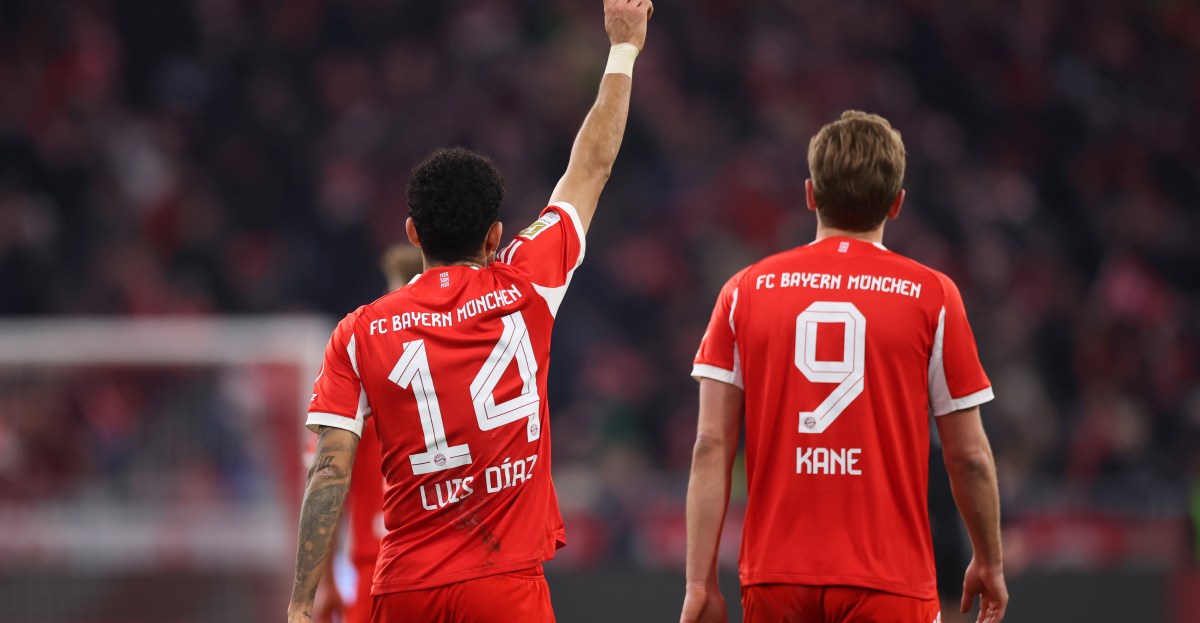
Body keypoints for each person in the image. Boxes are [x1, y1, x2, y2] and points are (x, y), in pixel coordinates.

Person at [285, 1, 652, 622]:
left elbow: (329, 472)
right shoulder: (527, 284)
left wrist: (300, 603)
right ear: (495, 235)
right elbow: (590, 166)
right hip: (504, 584)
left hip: (406, 588)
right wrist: (623, 49)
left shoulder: (359, 332)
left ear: (411, 231)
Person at [680, 111, 1008, 623]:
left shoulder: (743, 291)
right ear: (897, 203)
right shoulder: (932, 296)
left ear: (810, 194)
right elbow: (969, 458)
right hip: (890, 577)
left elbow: (710, 446)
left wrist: (700, 582)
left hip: (775, 576)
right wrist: (989, 559)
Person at [309, 244, 425, 623]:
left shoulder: (357, 391)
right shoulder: (462, 382)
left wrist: (321, 587)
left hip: (380, 581)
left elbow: (326, 494)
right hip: (445, 573)